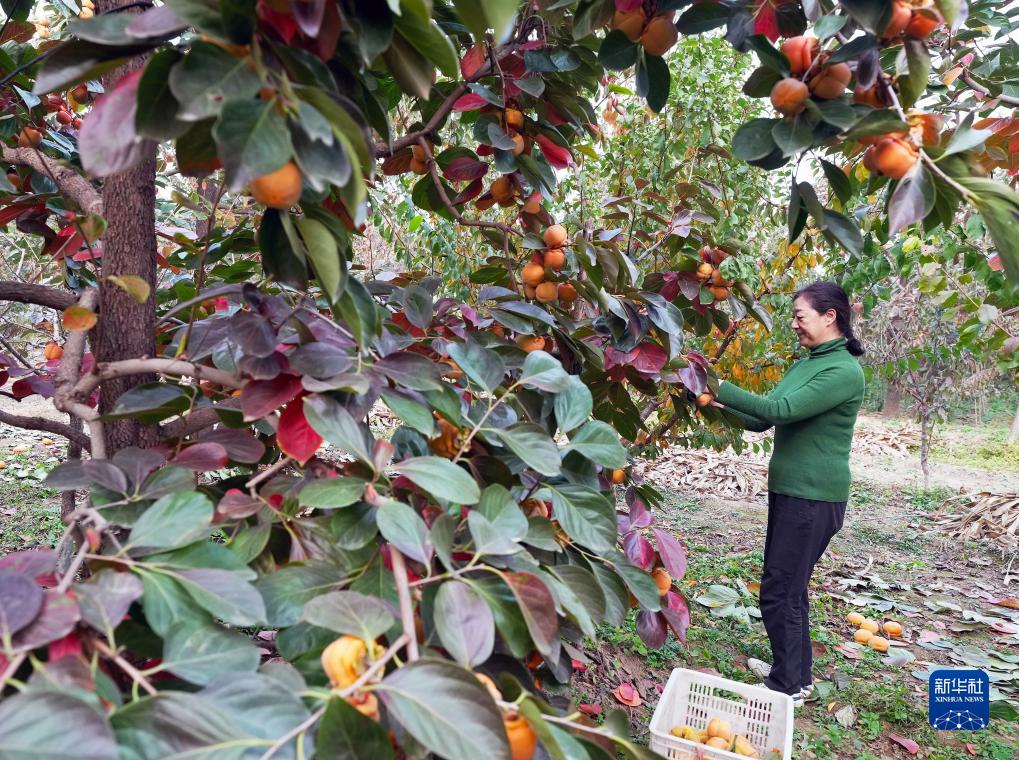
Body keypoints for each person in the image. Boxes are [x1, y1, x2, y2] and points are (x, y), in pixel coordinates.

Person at [714, 281, 866, 707]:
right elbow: (761, 421)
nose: (795, 324)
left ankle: (785, 689)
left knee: (779, 590)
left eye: (800, 316)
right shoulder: (808, 364)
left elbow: (780, 411)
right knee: (790, 588)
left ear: (830, 315)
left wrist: (717, 382)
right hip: (792, 493)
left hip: (813, 498)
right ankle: (796, 677)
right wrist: (705, 399)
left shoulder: (842, 371)